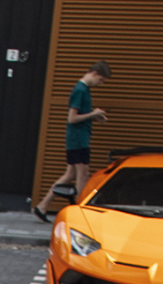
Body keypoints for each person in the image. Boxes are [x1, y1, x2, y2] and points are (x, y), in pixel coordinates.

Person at [34, 61, 110, 221]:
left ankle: (42, 206)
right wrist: (93, 114)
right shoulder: (80, 90)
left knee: (70, 175)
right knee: (83, 175)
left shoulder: (84, 90)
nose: (101, 84)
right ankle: (80, 213)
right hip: (78, 140)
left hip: (77, 139)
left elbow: (81, 116)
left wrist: (95, 117)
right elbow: (72, 118)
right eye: (101, 80)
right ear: (95, 74)